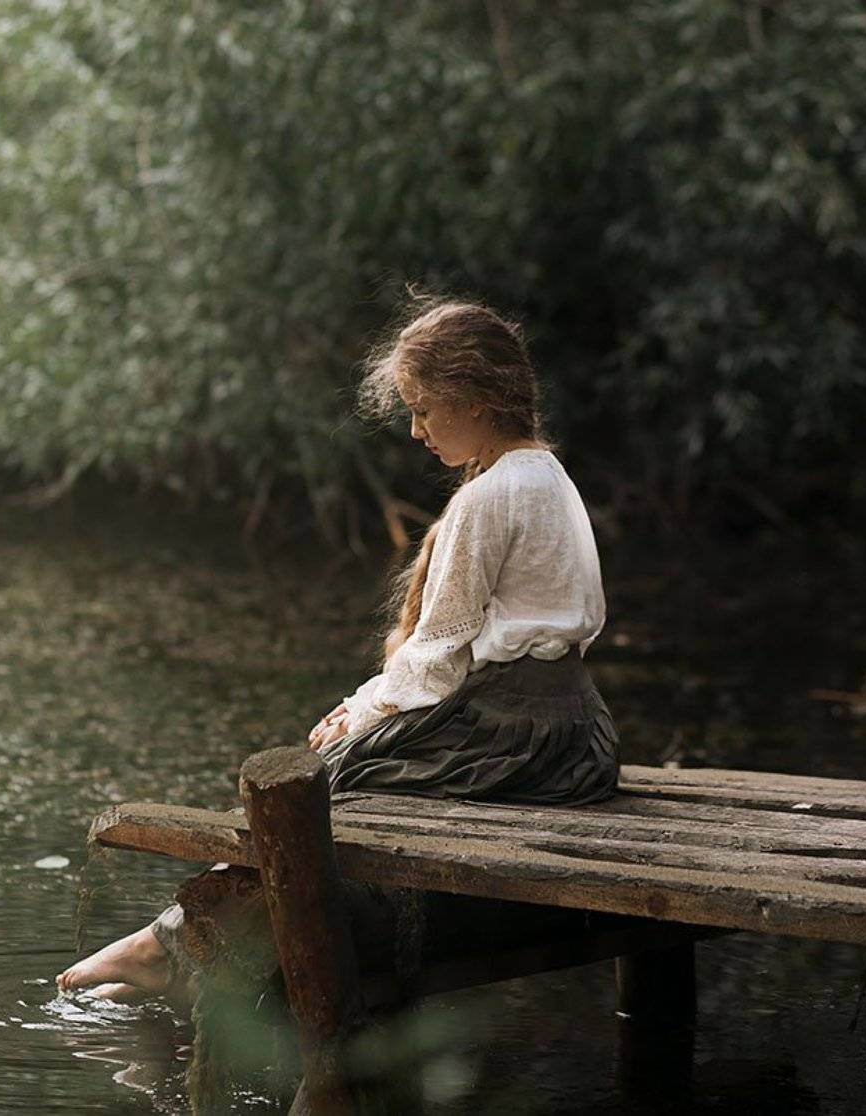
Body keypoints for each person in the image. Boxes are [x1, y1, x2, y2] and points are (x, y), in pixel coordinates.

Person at [56, 295, 620, 1001]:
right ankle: (179, 955)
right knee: (335, 783)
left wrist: (361, 710)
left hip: (506, 735)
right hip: (575, 737)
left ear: (473, 400)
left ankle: (167, 947)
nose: (415, 431)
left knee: (331, 780)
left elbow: (438, 655)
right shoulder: (552, 477)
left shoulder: (488, 497)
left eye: (423, 410)